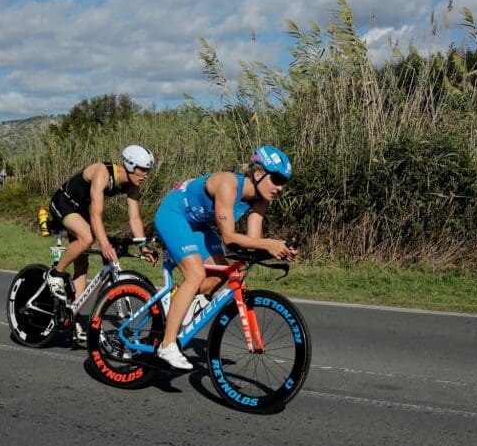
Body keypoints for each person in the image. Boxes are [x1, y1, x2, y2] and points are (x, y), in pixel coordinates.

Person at [153, 146, 297, 370]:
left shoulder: (261, 199)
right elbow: (230, 238)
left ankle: (175, 304)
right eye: (276, 179)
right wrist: (268, 243)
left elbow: (252, 241)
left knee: (220, 275)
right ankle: (168, 344)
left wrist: (278, 249)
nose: (279, 188)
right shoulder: (228, 184)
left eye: (283, 183)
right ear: (258, 174)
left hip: (198, 225)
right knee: (196, 274)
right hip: (174, 213)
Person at [46, 145, 157, 343]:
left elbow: (135, 219)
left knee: (83, 264)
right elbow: (96, 215)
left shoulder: (133, 185)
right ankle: (55, 274)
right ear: (130, 165)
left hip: (80, 211)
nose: (146, 175)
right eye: (142, 169)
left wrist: (142, 246)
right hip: (64, 201)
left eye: (148, 170)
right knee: (88, 238)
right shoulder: (103, 172)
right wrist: (105, 244)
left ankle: (73, 315)